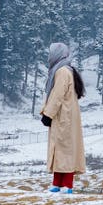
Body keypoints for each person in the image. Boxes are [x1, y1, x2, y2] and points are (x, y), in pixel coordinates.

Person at [39, 42, 86, 194]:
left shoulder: (61, 72)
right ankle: (58, 183)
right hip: (65, 116)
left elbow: (57, 95)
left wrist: (48, 114)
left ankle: (66, 184)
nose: (49, 57)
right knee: (61, 150)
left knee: (64, 150)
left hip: (63, 116)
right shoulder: (65, 70)